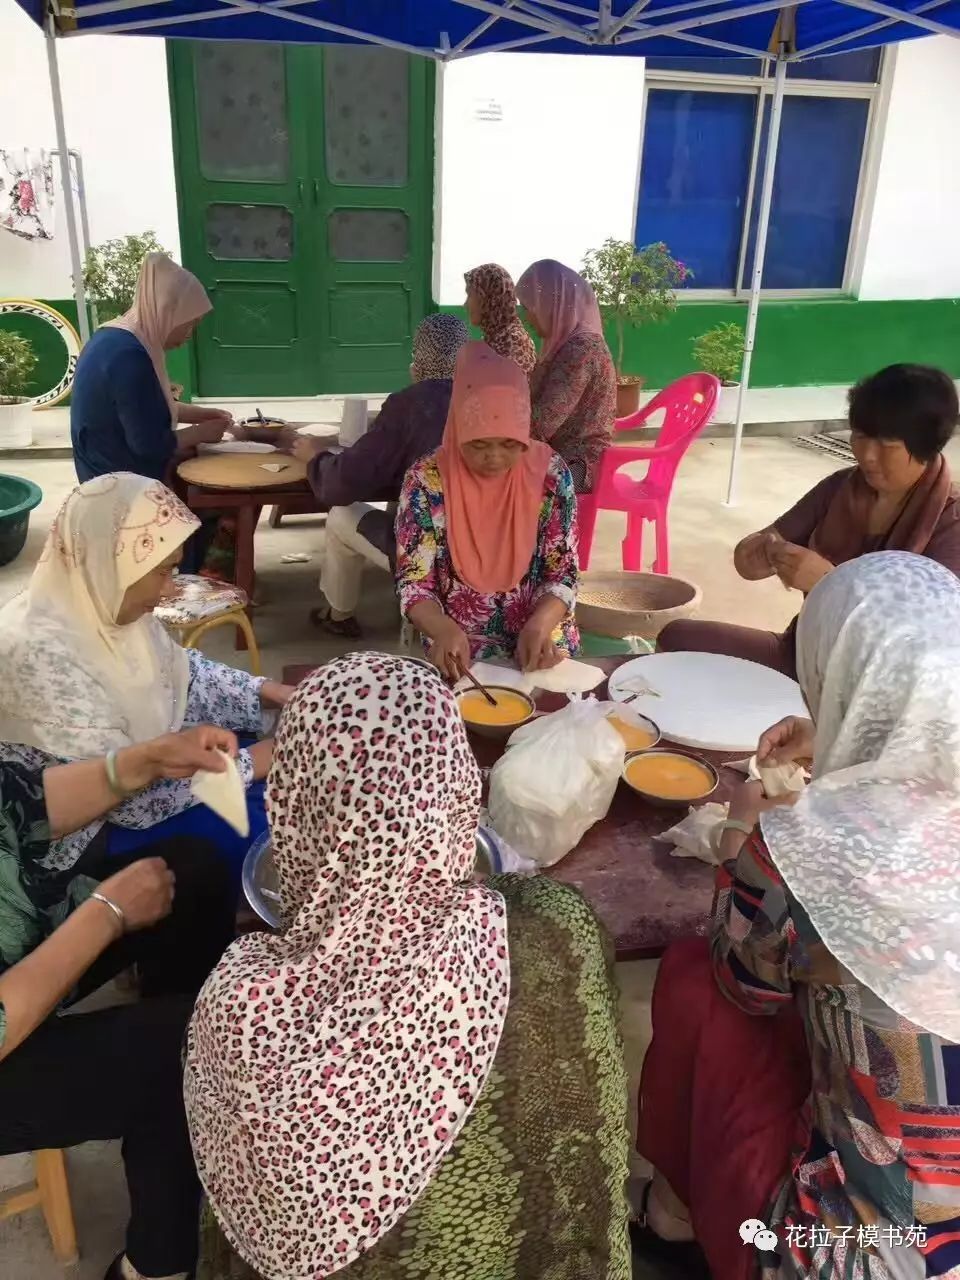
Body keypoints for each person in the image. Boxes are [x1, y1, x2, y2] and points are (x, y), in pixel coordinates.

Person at [185, 653, 631, 1280]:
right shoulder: (563, 926)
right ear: (456, 792)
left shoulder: (243, 1011)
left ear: (294, 804)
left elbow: (239, 1239)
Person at [636, 552, 960, 1280]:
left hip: (863, 1258)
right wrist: (852, 739)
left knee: (698, 980)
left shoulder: (808, 849)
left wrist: (744, 832)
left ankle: (674, 1218)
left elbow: (742, 979)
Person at [0, 724, 239, 1280]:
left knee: (192, 868)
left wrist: (143, 761)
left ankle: (188, 1126)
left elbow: (18, 802)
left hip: (18, 939)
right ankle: (155, 1265)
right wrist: (104, 915)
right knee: (182, 1050)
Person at [0, 473, 294, 882]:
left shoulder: (108, 609)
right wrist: (262, 758)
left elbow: (183, 675)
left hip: (144, 777)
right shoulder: (39, 655)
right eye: (163, 572)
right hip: (87, 835)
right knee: (274, 832)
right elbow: (128, 800)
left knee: (290, 792)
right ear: (108, 562)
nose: (172, 589)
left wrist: (269, 693)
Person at [659, 363, 960, 677]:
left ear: (928, 447)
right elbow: (761, 547)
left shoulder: (951, 520)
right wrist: (756, 554)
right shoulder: (840, 487)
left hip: (880, 686)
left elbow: (931, 639)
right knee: (677, 636)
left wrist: (832, 582)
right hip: (805, 656)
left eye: (888, 446)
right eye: (860, 437)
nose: (867, 455)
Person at [281, 313, 470, 639]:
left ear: (419, 355)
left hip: (430, 556)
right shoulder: (487, 400)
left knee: (341, 514)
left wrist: (316, 457)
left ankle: (339, 615)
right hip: (489, 549)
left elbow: (343, 484)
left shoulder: (410, 404)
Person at [396, 341, 579, 677]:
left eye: (510, 444)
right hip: (456, 649)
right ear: (457, 429)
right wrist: (443, 629)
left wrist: (542, 623)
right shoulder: (426, 481)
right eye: (478, 444)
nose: (494, 457)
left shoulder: (550, 475)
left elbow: (563, 571)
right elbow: (414, 583)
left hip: (540, 641)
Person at [70, 253, 234, 573]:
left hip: (104, 471)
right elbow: (149, 444)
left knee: (198, 483)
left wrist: (200, 415)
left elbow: (144, 407)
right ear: (169, 311)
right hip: (117, 484)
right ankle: (188, 584)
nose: (190, 334)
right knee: (216, 511)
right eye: (191, 323)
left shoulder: (116, 337)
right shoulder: (128, 357)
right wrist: (203, 433)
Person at [516, 259, 617, 493]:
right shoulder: (564, 344)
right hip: (558, 453)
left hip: (582, 465)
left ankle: (533, 531)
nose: (526, 317)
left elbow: (541, 424)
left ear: (553, 304)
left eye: (530, 307)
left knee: (500, 475)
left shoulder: (580, 351)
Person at [464, 262, 536, 374]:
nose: (466, 304)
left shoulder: (512, 343)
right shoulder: (497, 338)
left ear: (489, 298)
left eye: (470, 295)